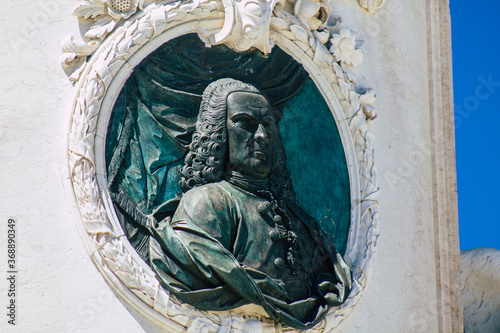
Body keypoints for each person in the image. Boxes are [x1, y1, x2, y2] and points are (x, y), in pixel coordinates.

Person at [149, 78, 351, 330]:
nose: (262, 135)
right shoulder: (206, 203)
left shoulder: (299, 221)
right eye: (245, 123)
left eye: (267, 124)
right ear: (219, 133)